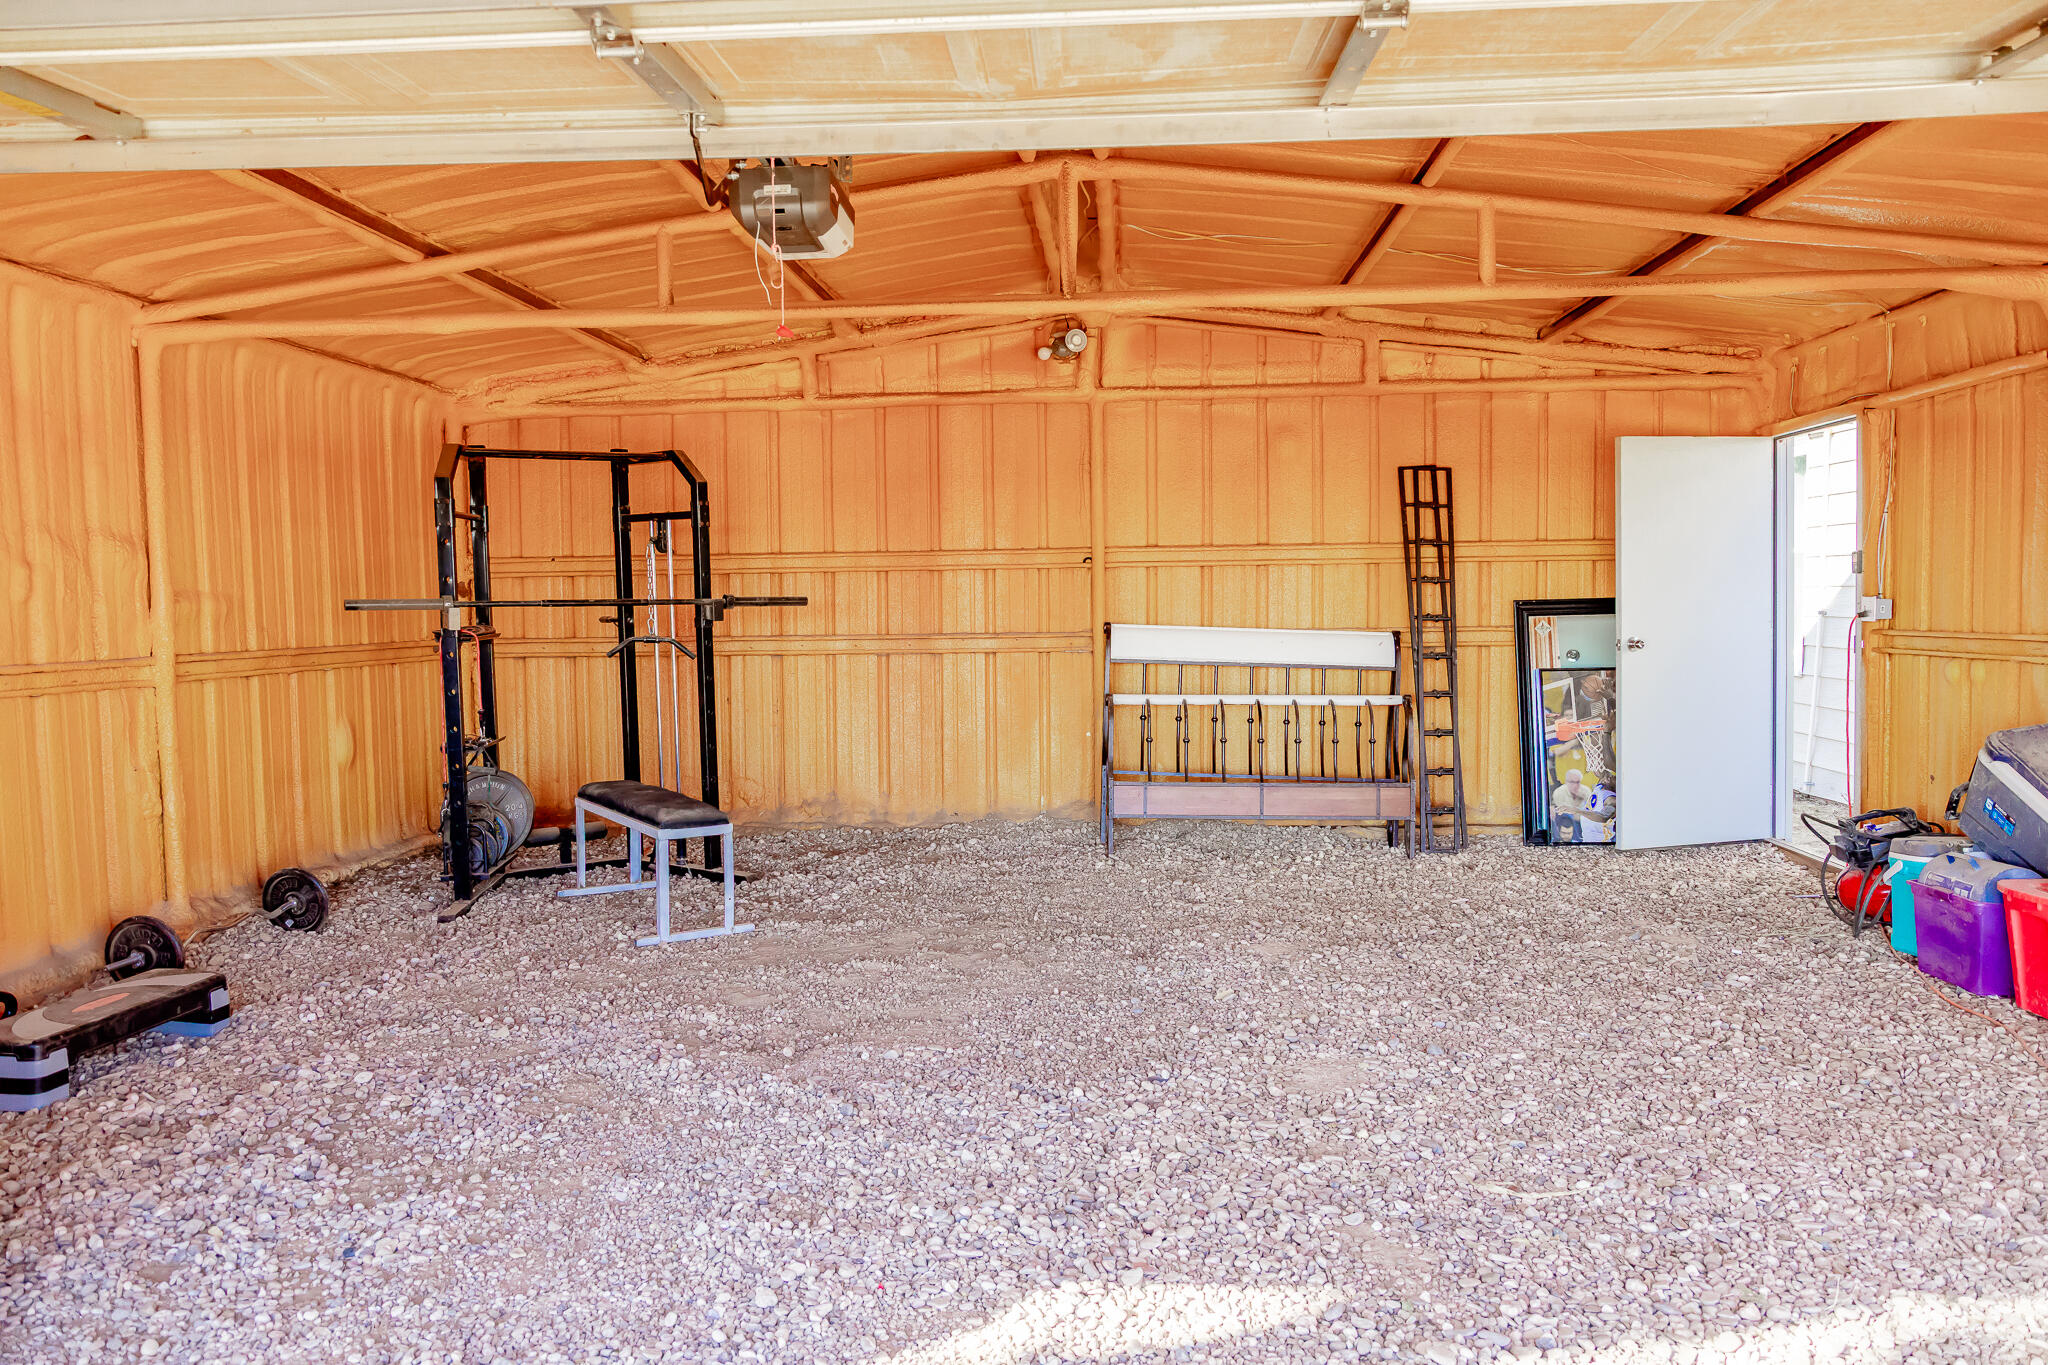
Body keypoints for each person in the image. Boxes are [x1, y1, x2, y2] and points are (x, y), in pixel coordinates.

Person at [1552, 767, 1594, 843]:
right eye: (1572, 782)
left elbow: (1591, 813)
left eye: (1577, 782)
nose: (1575, 785)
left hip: (1582, 822)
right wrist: (1578, 803)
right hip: (1566, 822)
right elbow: (1565, 816)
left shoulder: (1586, 791)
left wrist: (1584, 799)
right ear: (1566, 782)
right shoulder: (1559, 792)